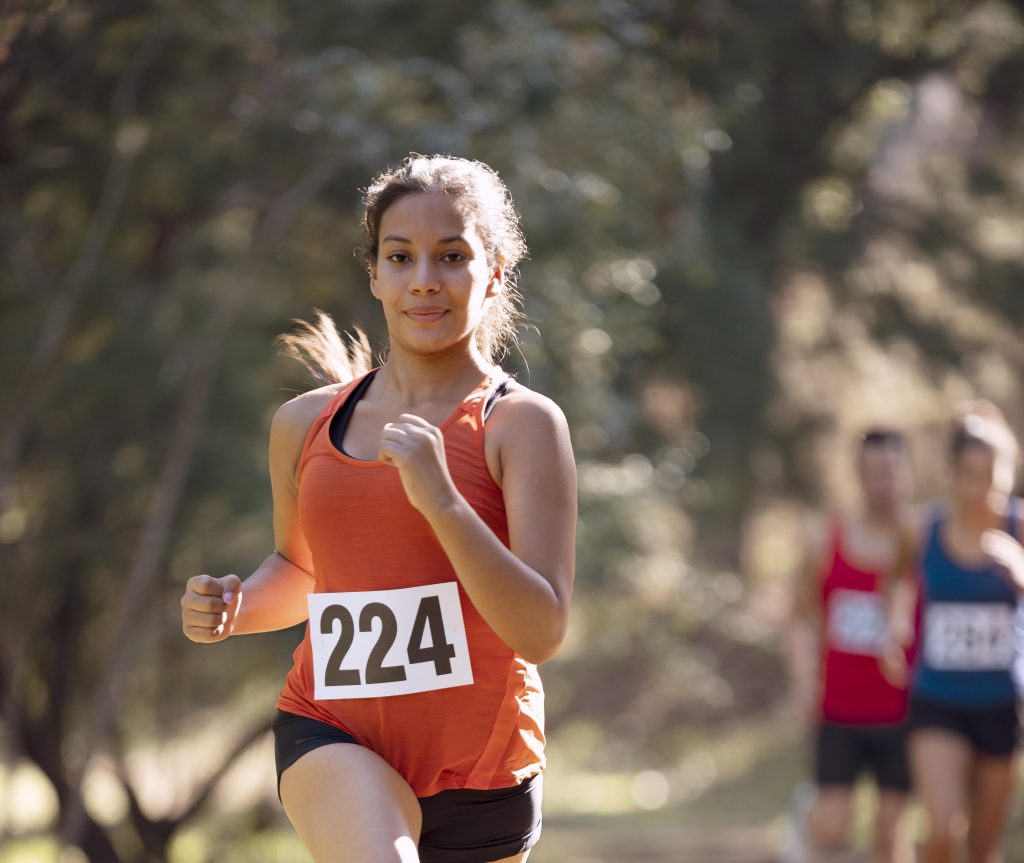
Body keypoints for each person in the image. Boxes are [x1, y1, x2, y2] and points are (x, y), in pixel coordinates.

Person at [180, 154, 578, 863]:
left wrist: (445, 503)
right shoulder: (303, 425)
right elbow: (300, 572)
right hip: (332, 732)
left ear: (493, 272)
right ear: (374, 273)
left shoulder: (521, 425)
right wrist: (237, 606)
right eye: (401, 256)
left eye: (451, 256)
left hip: (484, 772)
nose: (425, 278)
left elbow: (540, 630)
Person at [883, 402, 1024, 863]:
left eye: (993, 473)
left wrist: (1019, 572)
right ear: (953, 473)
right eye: (971, 473)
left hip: (1001, 704)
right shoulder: (923, 531)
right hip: (938, 698)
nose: (982, 487)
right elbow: (898, 584)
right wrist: (894, 629)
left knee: (983, 848)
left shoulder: (1019, 528)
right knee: (942, 829)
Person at [786, 429, 915, 863]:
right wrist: (805, 683)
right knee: (832, 827)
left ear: (908, 473)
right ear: (859, 476)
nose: (883, 483)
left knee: (890, 834)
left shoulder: (922, 545)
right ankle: (805, 827)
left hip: (902, 713)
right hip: (839, 710)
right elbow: (800, 619)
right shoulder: (826, 539)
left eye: (892, 471)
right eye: (873, 472)